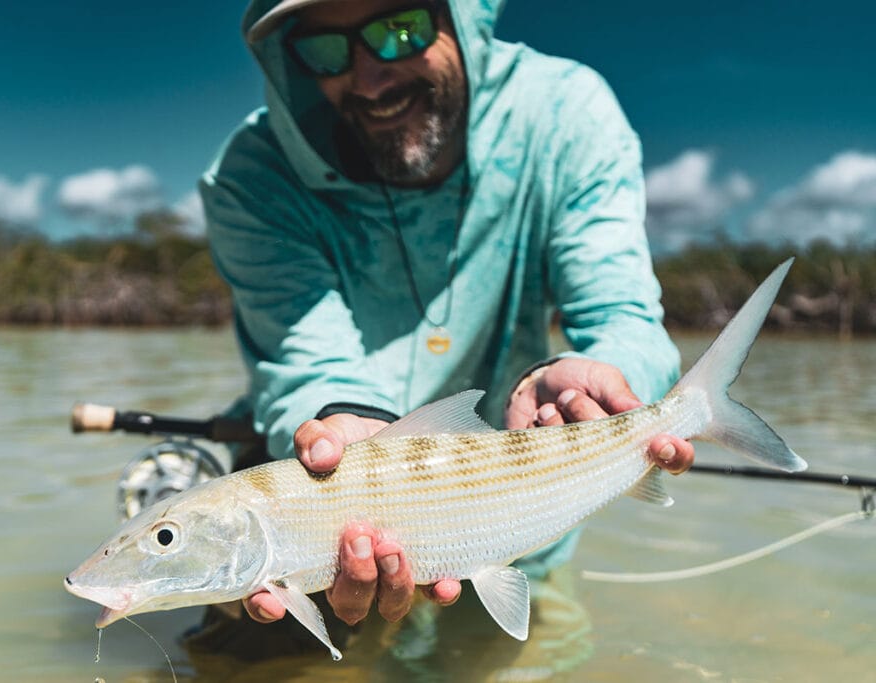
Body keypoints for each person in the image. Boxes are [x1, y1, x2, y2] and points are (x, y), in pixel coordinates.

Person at [200, 0, 695, 648]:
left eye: (398, 30)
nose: (371, 78)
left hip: (522, 508)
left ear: (462, 16)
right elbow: (306, 356)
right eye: (325, 50)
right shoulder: (253, 174)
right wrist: (340, 421)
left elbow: (621, 313)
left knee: (538, 656)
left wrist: (610, 389)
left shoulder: (566, 114)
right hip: (319, 511)